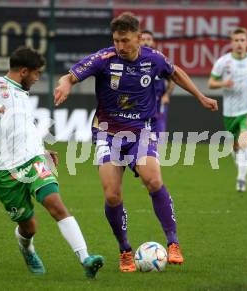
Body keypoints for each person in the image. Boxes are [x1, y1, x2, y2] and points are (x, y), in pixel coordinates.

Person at [54, 12, 218, 272]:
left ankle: (173, 243)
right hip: (107, 133)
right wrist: (65, 85)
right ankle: (125, 250)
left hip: (141, 130)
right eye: (116, 40)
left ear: (138, 38)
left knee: (153, 180)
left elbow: (176, 73)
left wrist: (200, 96)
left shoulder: (152, 59)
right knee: (112, 194)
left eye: (125, 40)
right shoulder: (104, 59)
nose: (120, 46)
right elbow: (69, 76)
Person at [0, 46, 103, 278]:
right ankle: (27, 249)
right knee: (29, 227)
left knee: (56, 204)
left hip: (33, 160)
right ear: (24, 71)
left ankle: (85, 258)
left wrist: (43, 150)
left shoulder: (24, 94)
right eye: (36, 73)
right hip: (4, 171)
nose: (38, 78)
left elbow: (24, 128)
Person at [208, 27, 247, 192]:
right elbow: (211, 83)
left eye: (242, 40)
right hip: (230, 111)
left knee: (244, 141)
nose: (239, 43)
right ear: (232, 43)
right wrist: (224, 83)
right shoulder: (223, 62)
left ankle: (241, 179)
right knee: (235, 146)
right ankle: (239, 161)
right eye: (236, 40)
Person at [140, 30, 174, 134]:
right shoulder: (135, 61)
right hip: (140, 103)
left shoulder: (160, 60)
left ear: (153, 42)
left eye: (148, 39)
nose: (146, 42)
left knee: (158, 133)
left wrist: (166, 95)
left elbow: (172, 80)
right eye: (143, 39)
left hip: (158, 102)